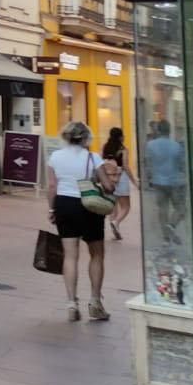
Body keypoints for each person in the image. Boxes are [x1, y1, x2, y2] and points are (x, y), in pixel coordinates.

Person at [47, 119, 114, 322]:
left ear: (66, 137)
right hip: (89, 206)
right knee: (96, 254)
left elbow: (52, 186)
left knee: (70, 256)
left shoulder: (55, 157)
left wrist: (52, 209)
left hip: (64, 205)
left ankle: (71, 304)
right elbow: (108, 186)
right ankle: (95, 301)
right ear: (85, 138)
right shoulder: (93, 158)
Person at [144, 120, 188, 241]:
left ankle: (166, 236)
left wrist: (149, 178)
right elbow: (182, 165)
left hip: (158, 182)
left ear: (158, 130)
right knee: (181, 208)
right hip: (174, 182)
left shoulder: (150, 145)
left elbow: (147, 163)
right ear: (169, 131)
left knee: (162, 209)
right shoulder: (176, 145)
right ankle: (172, 225)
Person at [101, 125, 138, 241]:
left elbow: (101, 162)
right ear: (120, 137)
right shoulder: (123, 149)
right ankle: (116, 222)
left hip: (108, 179)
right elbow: (126, 166)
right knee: (126, 206)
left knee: (113, 205)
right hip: (120, 178)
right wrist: (134, 181)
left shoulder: (105, 147)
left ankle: (115, 228)